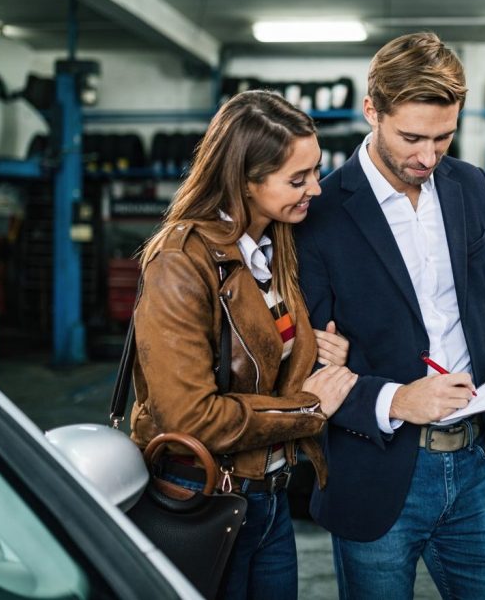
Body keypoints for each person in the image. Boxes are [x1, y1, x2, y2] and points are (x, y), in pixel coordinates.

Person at [294, 32, 485, 599]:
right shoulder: (318, 212)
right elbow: (306, 365)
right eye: (411, 137)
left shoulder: (469, 186)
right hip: (373, 472)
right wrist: (398, 400)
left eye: (444, 137)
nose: (428, 157)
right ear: (371, 111)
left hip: (477, 462)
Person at [131, 90, 358, 600]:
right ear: (244, 181)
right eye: (296, 180)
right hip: (205, 495)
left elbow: (263, 370)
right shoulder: (180, 261)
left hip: (270, 497)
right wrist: (311, 408)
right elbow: (190, 416)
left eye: (315, 171)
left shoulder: (273, 249)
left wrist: (319, 358)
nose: (315, 190)